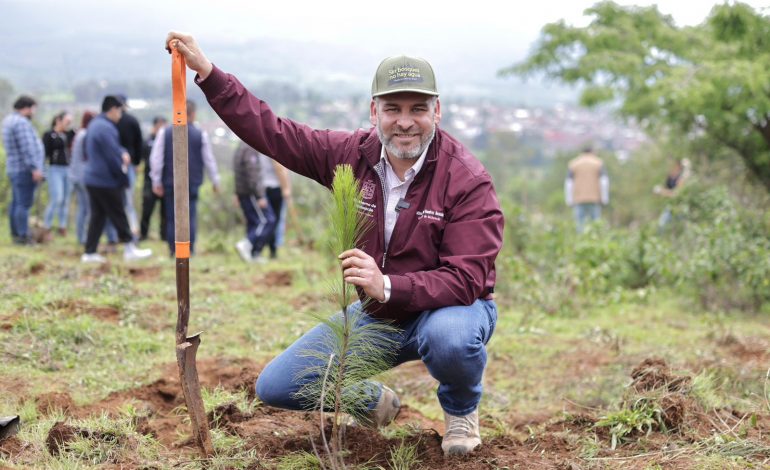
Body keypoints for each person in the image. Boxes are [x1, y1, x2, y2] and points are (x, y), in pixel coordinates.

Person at [166, 32, 504, 456]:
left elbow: (467, 278)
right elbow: (275, 134)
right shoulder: (352, 156)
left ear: (437, 111)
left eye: (418, 109)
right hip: (382, 315)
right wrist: (209, 75)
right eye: (392, 108)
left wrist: (388, 286)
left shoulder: (466, 178)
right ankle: (375, 403)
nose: (404, 121)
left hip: (451, 309)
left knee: (450, 339)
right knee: (278, 385)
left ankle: (460, 413)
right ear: (373, 111)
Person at [81, 95, 152, 263]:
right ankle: (129, 248)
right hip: (105, 179)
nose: (121, 114)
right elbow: (113, 157)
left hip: (93, 178)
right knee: (118, 213)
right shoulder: (106, 128)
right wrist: (123, 177)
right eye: (120, 110)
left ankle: (90, 252)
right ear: (112, 109)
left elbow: (113, 151)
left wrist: (121, 152)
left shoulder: (95, 124)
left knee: (98, 215)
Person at [149, 100, 220, 256]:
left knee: (171, 217)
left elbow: (156, 158)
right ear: (193, 113)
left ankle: (173, 250)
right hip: (192, 182)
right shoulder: (200, 134)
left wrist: (156, 180)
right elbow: (209, 160)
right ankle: (190, 250)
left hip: (170, 182)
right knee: (190, 216)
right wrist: (215, 180)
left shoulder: (165, 132)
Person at [2, 95, 44, 245]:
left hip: (13, 167)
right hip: (23, 169)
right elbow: (27, 148)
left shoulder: (8, 121)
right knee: (23, 204)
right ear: (26, 108)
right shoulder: (21, 123)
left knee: (16, 203)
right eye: (33, 109)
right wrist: (35, 168)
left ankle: (16, 234)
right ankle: (23, 236)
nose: (33, 112)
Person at [232, 141, 277, 263]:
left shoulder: (241, 147)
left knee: (254, 222)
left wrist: (236, 192)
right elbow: (252, 175)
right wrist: (260, 196)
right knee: (267, 220)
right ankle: (247, 243)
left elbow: (238, 173)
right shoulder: (249, 149)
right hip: (251, 193)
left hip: (244, 192)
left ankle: (253, 254)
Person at [42, 111, 74, 238]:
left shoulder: (69, 134)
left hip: (68, 169)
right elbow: (45, 153)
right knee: (57, 198)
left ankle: (62, 226)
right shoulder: (50, 135)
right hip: (54, 169)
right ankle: (47, 226)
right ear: (58, 120)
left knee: (65, 200)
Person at [564, 144, 609, 233]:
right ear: (592, 152)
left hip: (578, 199)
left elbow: (569, 183)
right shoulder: (598, 163)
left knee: (579, 225)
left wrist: (569, 199)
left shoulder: (574, 163)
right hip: (594, 198)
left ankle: (580, 243)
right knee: (596, 225)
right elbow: (604, 181)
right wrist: (604, 198)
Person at [116, 95, 143, 236]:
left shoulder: (110, 121)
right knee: (128, 201)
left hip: (113, 166)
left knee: (115, 200)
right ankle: (132, 231)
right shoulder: (132, 121)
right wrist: (137, 162)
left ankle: (117, 234)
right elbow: (139, 143)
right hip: (130, 165)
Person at [139, 116, 168, 241]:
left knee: (165, 212)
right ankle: (143, 234)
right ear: (156, 125)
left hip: (165, 181)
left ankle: (164, 235)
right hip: (149, 181)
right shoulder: (148, 141)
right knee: (147, 210)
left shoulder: (167, 141)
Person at [259, 152, 292, 259]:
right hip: (275, 188)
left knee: (269, 220)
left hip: (263, 188)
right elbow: (280, 168)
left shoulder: (260, 147)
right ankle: (272, 250)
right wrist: (286, 188)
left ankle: (268, 249)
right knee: (274, 221)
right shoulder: (273, 149)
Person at [654, 158, 691, 230]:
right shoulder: (669, 177)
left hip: (680, 206)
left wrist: (662, 191)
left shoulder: (682, 176)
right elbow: (667, 191)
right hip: (671, 206)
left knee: (685, 227)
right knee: (661, 226)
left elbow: (676, 193)